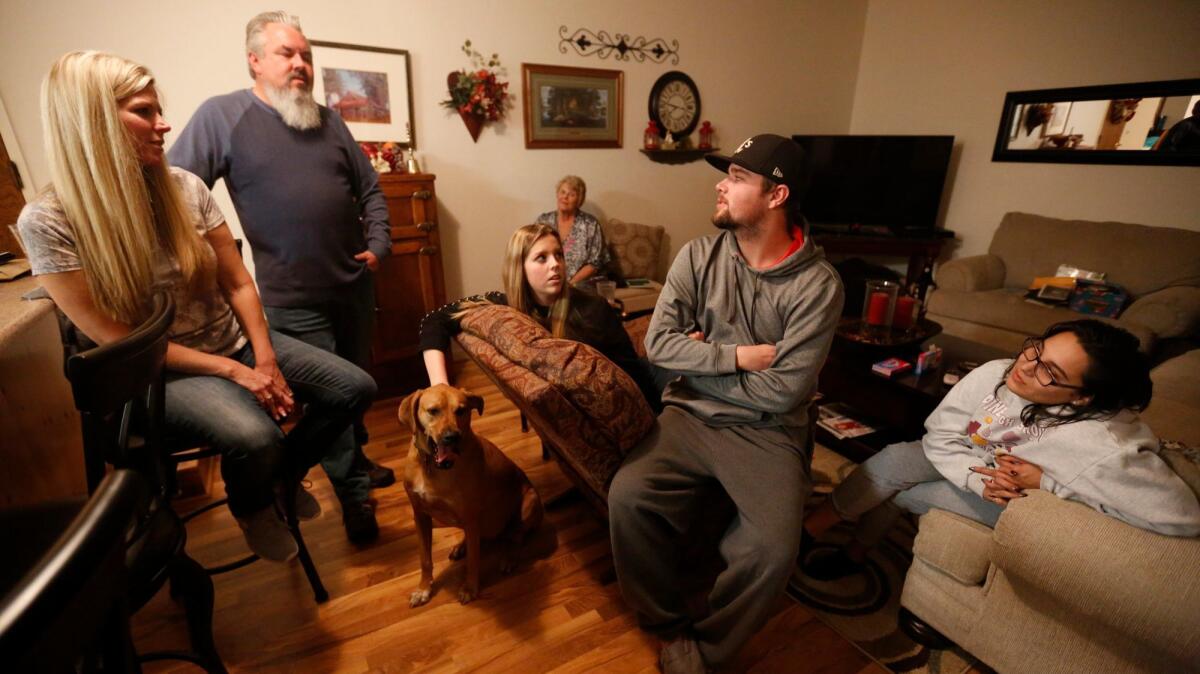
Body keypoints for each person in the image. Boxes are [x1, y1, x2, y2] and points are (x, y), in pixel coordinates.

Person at [17, 50, 378, 561]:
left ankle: (276, 482)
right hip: (159, 374)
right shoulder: (47, 222)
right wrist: (236, 373)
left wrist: (265, 357)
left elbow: (237, 284)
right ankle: (252, 503)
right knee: (256, 437)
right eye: (144, 111)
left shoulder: (185, 188)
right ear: (92, 122)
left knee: (353, 388)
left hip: (231, 343)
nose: (163, 124)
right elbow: (119, 341)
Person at [607, 134, 844, 673]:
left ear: (776, 196)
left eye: (737, 177)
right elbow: (659, 344)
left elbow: (784, 391)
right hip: (689, 417)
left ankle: (709, 649)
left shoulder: (818, 286)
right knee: (628, 498)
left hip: (769, 431)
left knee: (772, 551)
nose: (721, 183)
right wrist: (736, 357)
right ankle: (665, 625)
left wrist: (697, 359)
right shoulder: (698, 255)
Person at [168, 10, 391, 542]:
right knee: (329, 398)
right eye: (287, 54)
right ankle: (353, 495)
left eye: (306, 55)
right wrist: (209, 262)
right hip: (293, 300)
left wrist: (379, 243)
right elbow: (174, 195)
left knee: (354, 392)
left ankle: (349, 464)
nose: (300, 64)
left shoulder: (330, 120)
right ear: (254, 60)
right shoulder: (223, 116)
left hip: (353, 288)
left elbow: (372, 190)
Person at [802, 319, 1200, 581]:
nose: (1025, 366)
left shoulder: (1098, 445)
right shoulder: (997, 372)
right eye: (1037, 349)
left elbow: (1182, 518)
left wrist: (1049, 484)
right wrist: (975, 479)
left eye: (1049, 372)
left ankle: (855, 553)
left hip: (1017, 496)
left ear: (1081, 398)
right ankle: (806, 536)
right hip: (978, 464)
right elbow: (939, 436)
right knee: (893, 460)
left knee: (907, 493)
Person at [419, 224, 661, 410]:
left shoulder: (592, 308)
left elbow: (634, 375)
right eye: (541, 258)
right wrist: (441, 387)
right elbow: (434, 320)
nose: (555, 264)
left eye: (559, 255)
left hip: (648, 382)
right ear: (519, 267)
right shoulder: (505, 304)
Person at [534, 175, 610, 285]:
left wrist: (569, 285)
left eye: (571, 195)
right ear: (557, 194)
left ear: (579, 200)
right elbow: (534, 254)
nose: (565, 197)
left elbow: (595, 263)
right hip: (547, 283)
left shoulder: (590, 224)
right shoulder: (543, 221)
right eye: (562, 192)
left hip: (579, 285)